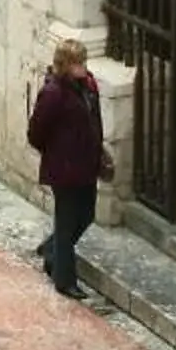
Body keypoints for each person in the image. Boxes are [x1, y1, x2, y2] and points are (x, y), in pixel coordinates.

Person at [26, 36, 109, 301]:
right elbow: (36, 132)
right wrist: (57, 154)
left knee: (86, 215)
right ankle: (64, 280)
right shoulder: (54, 93)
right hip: (65, 168)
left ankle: (52, 250)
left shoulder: (88, 85)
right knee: (66, 221)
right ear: (64, 65)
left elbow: (94, 120)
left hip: (87, 164)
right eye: (76, 63)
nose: (82, 67)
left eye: (83, 61)